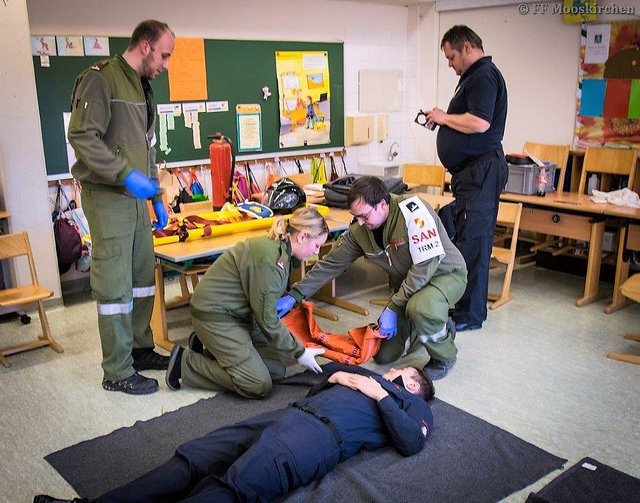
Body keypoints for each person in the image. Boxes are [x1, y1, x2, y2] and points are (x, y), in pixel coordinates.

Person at [34, 363, 434, 503]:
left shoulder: (411, 404)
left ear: (411, 382)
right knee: (193, 458)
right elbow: (326, 376)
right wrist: (347, 375)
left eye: (398, 373)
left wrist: (379, 391)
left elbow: (412, 440)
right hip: (289, 415)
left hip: (315, 438)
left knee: (232, 489)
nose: (387, 372)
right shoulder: (364, 376)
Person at [67, 20, 175, 395]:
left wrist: (156, 195)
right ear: (145, 46)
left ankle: (141, 349)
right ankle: (116, 371)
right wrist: (124, 175)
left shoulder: (143, 87)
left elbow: (145, 147)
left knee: (142, 277)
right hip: (107, 195)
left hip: (135, 199)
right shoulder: (101, 79)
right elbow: (82, 137)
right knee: (115, 286)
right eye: (163, 55)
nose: (166, 64)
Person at [277, 176, 467, 380]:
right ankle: (436, 325)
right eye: (355, 216)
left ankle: (444, 355)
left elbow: (424, 268)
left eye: (364, 216)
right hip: (407, 288)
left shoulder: (414, 211)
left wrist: (393, 307)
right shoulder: (361, 228)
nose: (359, 222)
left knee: (422, 307)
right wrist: (296, 293)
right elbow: (330, 264)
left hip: (443, 276)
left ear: (383, 204)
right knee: (384, 355)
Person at [165, 206, 330, 399]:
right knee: (258, 384)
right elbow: (267, 320)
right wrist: (299, 352)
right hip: (217, 317)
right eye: (316, 246)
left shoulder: (280, 249)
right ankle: (186, 364)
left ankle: (212, 350)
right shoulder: (271, 260)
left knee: (276, 370)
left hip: (237, 314)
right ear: (302, 237)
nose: (316, 252)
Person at [425, 25, 508, 332]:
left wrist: (444, 117)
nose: (449, 64)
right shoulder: (473, 77)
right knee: (464, 240)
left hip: (481, 171)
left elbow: (480, 122)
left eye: (451, 57)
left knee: (474, 243)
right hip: (471, 173)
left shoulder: (484, 76)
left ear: (468, 48)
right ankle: (462, 309)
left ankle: (470, 316)